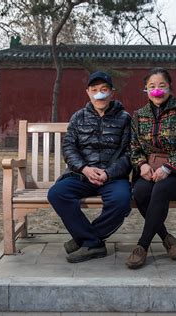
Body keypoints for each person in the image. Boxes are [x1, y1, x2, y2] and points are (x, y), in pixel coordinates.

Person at [47, 71, 132, 263]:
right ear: (88, 92)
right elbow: (68, 147)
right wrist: (84, 168)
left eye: (104, 90)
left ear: (112, 92)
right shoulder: (78, 117)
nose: (99, 94)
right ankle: (92, 242)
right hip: (81, 175)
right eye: (94, 90)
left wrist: (109, 173)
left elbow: (130, 153)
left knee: (122, 200)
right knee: (57, 193)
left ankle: (87, 240)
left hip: (112, 177)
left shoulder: (125, 118)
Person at [126, 67, 176, 269]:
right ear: (145, 90)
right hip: (149, 171)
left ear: (169, 87)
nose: (156, 90)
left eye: (161, 85)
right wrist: (141, 165)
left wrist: (168, 168)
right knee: (140, 192)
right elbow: (133, 145)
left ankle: (142, 246)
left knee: (160, 190)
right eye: (151, 86)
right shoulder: (139, 115)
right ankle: (167, 238)